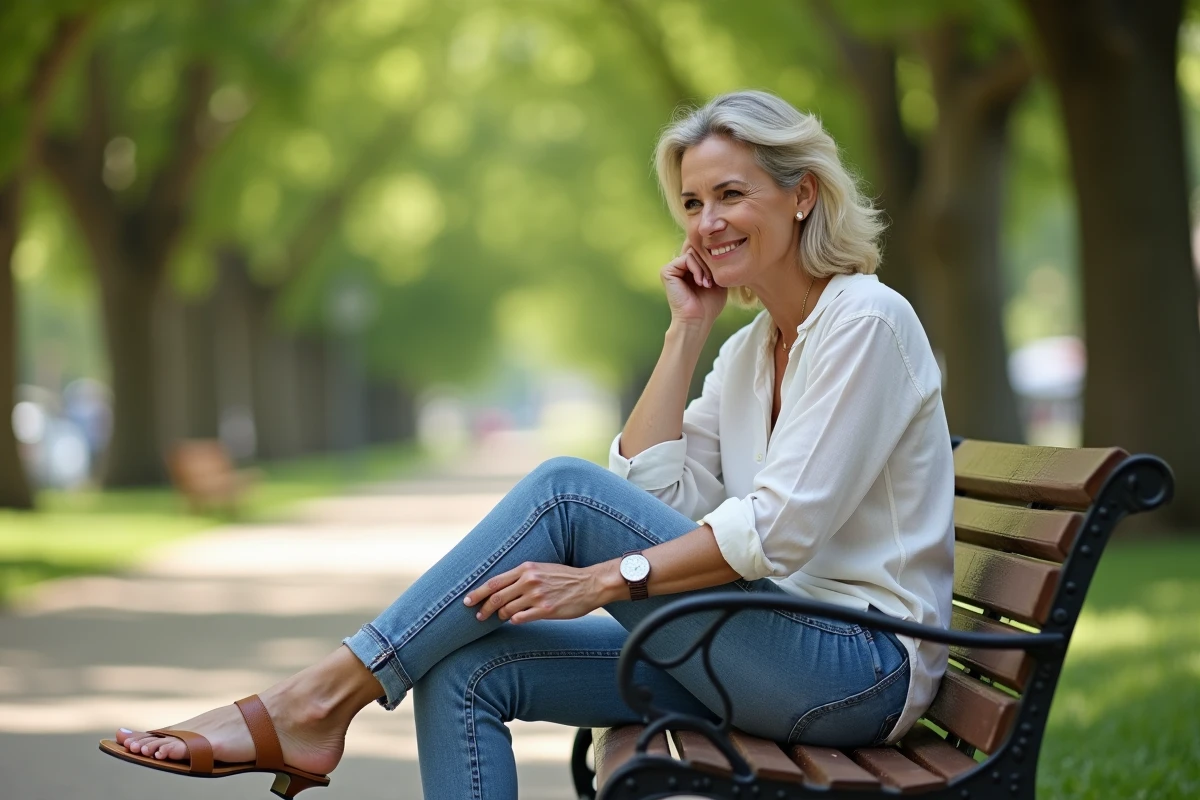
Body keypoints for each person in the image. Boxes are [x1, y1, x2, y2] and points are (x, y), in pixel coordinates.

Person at [99, 90, 954, 800]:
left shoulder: (865, 323)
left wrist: (601, 581)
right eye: (692, 204)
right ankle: (321, 698)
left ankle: (321, 696)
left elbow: (775, 532)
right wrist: (683, 335)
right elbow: (660, 500)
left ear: (802, 193)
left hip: (852, 669)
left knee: (565, 494)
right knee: (466, 668)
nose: (706, 223)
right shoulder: (744, 352)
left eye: (731, 195)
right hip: (754, 643)